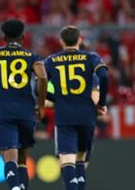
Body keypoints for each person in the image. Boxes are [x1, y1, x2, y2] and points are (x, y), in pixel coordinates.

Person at [0, 20, 47, 190]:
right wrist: (41, 105)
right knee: (22, 158)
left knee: (9, 156)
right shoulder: (31, 56)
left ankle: (14, 187)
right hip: (26, 110)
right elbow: (42, 77)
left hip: (2, 110)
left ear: (4, 37)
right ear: (23, 37)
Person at [43, 26, 108, 190]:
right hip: (86, 116)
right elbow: (98, 88)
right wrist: (101, 104)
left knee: (66, 162)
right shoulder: (91, 62)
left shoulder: (52, 61)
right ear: (80, 40)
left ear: (61, 42)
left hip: (65, 116)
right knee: (81, 160)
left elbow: (42, 91)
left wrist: (57, 99)